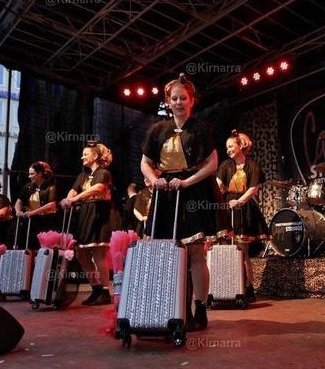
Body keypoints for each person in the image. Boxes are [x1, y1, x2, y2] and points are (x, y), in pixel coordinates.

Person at [141, 73, 229, 331]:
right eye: (174, 98)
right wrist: (154, 180)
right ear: (168, 101)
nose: (179, 102)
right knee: (167, 252)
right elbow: (145, 163)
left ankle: (200, 310)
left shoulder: (201, 127)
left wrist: (188, 181)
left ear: (192, 100)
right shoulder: (157, 129)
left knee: (196, 253)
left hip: (194, 190)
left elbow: (212, 163)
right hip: (167, 192)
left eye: (183, 98)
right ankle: (172, 306)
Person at [60, 142, 121, 306]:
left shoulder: (103, 173)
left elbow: (98, 188)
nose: (82, 157)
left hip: (100, 213)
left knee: (99, 253)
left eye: (85, 154)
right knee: (81, 254)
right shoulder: (83, 175)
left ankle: (105, 291)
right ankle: (96, 287)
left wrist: (75, 199)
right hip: (85, 214)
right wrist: (68, 199)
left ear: (95, 156)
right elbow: (73, 190)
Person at [216, 130, 270, 303]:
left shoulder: (252, 166)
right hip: (227, 207)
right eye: (226, 147)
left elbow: (253, 189)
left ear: (241, 146)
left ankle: (248, 287)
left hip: (243, 207)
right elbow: (218, 185)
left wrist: (239, 201)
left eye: (231, 146)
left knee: (242, 251)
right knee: (224, 248)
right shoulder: (225, 165)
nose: (228, 150)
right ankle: (227, 286)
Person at [14, 161, 59, 251]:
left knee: (40, 247)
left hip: (44, 222)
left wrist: (33, 212)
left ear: (40, 173)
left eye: (32, 174)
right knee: (25, 245)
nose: (29, 176)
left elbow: (51, 205)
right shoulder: (28, 187)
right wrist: (18, 211)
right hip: (29, 221)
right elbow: (19, 201)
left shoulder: (51, 188)